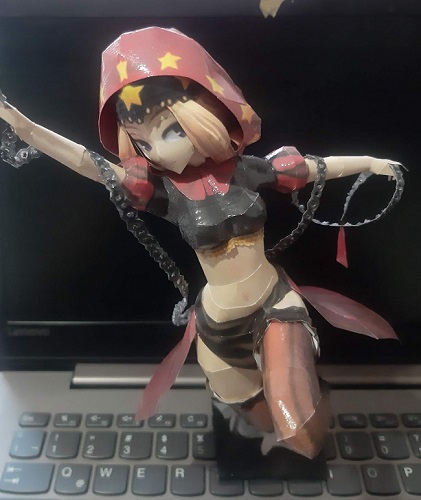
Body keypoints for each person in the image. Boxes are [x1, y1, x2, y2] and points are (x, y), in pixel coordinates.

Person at [0, 27, 402, 458]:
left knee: (301, 430)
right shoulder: (165, 193)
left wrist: (371, 162)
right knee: (253, 414)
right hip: (216, 327)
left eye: (170, 131)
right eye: (143, 141)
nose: (158, 151)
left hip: (273, 303)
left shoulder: (248, 171)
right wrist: (25, 127)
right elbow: (88, 163)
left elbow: (317, 167)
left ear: (201, 115)